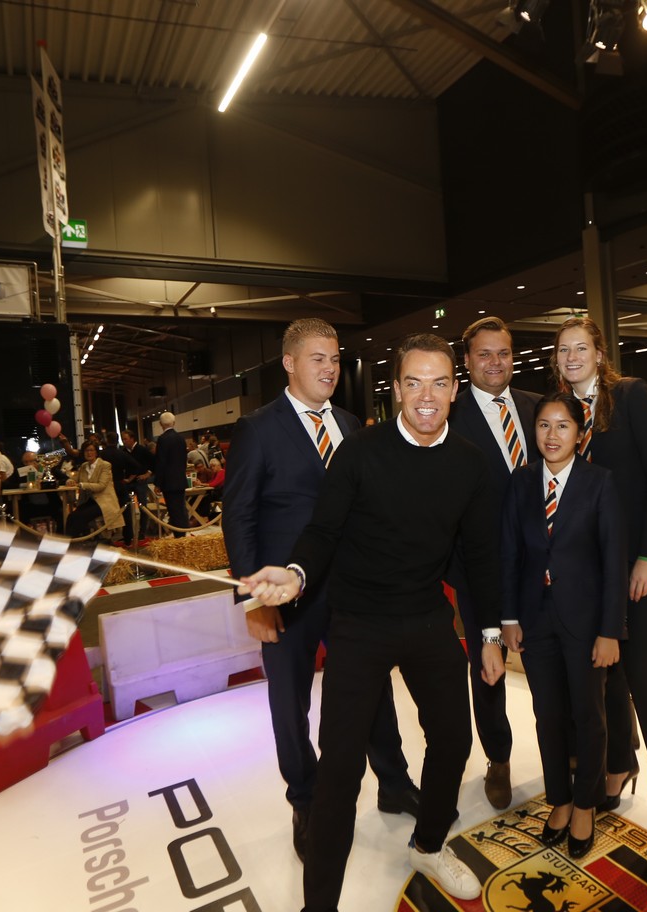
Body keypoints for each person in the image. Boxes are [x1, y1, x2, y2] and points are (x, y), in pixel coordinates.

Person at [241, 333, 503, 911]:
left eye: (439, 383)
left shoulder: (469, 463)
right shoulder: (359, 451)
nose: (427, 396)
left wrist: (488, 634)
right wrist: (296, 574)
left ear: (454, 390)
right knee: (339, 770)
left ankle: (429, 845)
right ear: (397, 390)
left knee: (454, 738)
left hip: (427, 616)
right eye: (415, 382)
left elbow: (482, 557)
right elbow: (323, 532)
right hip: (358, 621)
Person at [223, 318, 417, 864]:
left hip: (354, 590)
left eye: (334, 358)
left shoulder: (351, 424)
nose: (330, 368)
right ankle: (305, 800)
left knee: (373, 689)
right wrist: (252, 602)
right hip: (284, 597)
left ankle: (394, 781)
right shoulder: (258, 429)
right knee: (290, 703)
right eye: (317, 358)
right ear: (289, 363)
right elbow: (238, 518)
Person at [486, 392, 627, 859]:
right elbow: (509, 552)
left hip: (586, 623)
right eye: (544, 425)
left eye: (562, 426)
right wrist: (509, 617)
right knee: (547, 716)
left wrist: (610, 630)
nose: (552, 434)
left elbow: (614, 562)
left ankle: (585, 803)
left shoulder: (600, 483)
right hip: (534, 619)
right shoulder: (521, 482)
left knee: (588, 714)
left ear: (580, 434)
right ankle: (561, 800)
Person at [552, 316, 647, 814]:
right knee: (605, 675)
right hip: (591, 567)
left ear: (600, 354)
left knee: (643, 676)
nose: (572, 357)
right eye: (563, 350)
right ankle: (619, 765)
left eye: (580, 348)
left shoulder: (630, 395)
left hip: (638, 559)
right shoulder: (562, 411)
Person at [446, 314, 541, 809]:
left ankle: (566, 745)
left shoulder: (537, 406)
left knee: (549, 658)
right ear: (467, 361)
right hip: (479, 565)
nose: (495, 362)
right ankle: (498, 758)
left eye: (503, 353)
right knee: (488, 666)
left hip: (540, 561)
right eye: (484, 354)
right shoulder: (450, 416)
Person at [65, 441, 125, 540]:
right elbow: (75, 478)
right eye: (86, 450)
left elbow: (101, 486)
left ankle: (73, 542)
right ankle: (70, 542)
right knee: (71, 516)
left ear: (96, 452)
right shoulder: (84, 466)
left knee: (79, 517)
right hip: (90, 501)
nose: (89, 453)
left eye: (91, 450)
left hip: (104, 502)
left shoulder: (105, 465)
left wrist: (82, 485)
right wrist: (69, 481)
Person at [154, 412, 188, 536]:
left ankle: (179, 537)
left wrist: (158, 483)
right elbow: (184, 460)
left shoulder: (162, 439)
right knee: (181, 509)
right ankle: (183, 535)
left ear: (160, 424)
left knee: (174, 511)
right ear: (174, 422)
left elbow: (161, 462)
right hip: (180, 479)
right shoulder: (181, 438)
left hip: (168, 482)